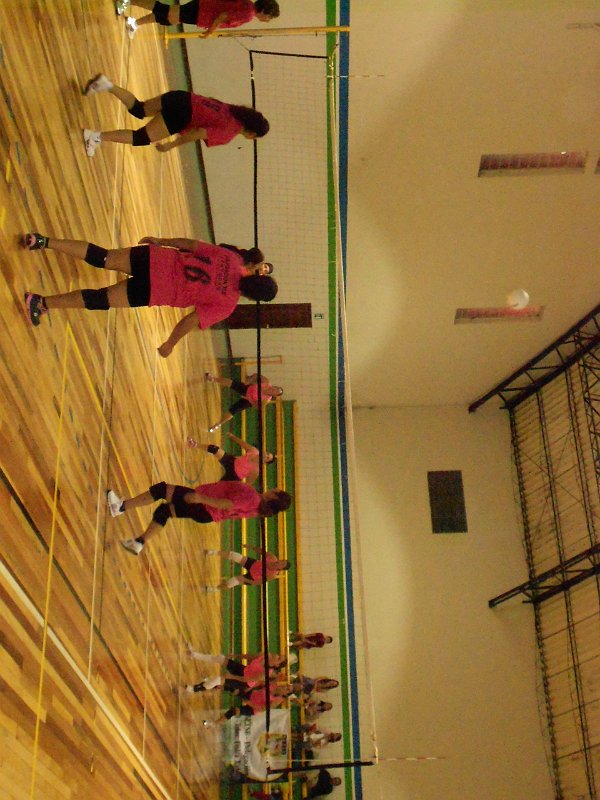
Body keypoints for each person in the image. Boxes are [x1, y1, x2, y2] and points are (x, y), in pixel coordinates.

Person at [22, 235, 277, 342]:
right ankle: (41, 302)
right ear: (253, 297)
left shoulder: (231, 258)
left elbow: (192, 244)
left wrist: (161, 240)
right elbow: (190, 321)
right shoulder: (227, 304)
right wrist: (170, 343)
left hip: (157, 258)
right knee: (101, 299)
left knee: (103, 257)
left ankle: (42, 241)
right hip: (156, 289)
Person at [82, 75, 269, 157]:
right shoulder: (229, 132)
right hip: (183, 114)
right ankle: (94, 137)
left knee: (140, 109)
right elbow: (198, 133)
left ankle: (106, 85)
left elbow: (209, 103)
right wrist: (171, 145)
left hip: (182, 97)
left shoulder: (232, 110)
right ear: (252, 133)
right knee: (141, 137)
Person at [105, 480, 291, 555]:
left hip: (202, 504)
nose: (274, 487)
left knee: (162, 490)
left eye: (277, 490)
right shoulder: (257, 509)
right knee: (165, 511)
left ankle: (120, 507)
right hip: (206, 514)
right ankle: (139, 542)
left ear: (274, 496)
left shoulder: (252, 497)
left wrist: (201, 498)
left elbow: (228, 504)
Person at [116, 0, 280, 40]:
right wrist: (210, 31)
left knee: (168, 18)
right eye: (270, 17)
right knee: (165, 12)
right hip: (202, 12)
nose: (268, 20)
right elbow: (223, 16)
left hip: (202, 9)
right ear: (265, 11)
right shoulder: (248, 14)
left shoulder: (248, 5)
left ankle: (134, 23)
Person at [205, 372, 283, 432]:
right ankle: (212, 378)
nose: (274, 390)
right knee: (231, 383)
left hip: (249, 401)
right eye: (275, 389)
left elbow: (257, 406)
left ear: (274, 395)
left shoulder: (266, 400)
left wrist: (249, 399)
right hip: (248, 389)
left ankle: (217, 425)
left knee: (233, 411)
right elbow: (256, 375)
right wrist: (249, 381)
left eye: (275, 392)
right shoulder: (266, 382)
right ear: (274, 386)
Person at [186, 431, 275, 483]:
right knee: (214, 449)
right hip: (232, 461)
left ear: (265, 462)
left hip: (234, 476)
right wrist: (232, 437)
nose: (266, 455)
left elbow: (248, 484)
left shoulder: (256, 470)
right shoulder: (254, 451)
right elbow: (242, 444)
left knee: (218, 487)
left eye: (267, 458)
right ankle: (194, 444)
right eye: (267, 453)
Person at [184, 649, 287, 693]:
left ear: (277, 665)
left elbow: (247, 679)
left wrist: (231, 677)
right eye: (279, 655)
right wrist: (235, 656)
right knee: (220, 659)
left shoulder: (266, 673)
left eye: (279, 658)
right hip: (244, 670)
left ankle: (194, 689)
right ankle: (194, 655)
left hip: (244, 682)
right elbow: (250, 657)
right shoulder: (266, 655)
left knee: (218, 680)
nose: (277, 655)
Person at [205, 544, 290, 592]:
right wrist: (250, 547)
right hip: (254, 564)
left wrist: (245, 580)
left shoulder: (272, 575)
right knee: (234, 555)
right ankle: (214, 552)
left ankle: (214, 589)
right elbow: (261, 551)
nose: (280, 562)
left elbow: (258, 582)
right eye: (282, 560)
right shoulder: (272, 557)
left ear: (281, 568)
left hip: (252, 578)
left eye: (282, 564)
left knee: (232, 582)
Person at [202, 683, 293, 727]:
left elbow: (262, 709)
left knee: (234, 711)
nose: (285, 687)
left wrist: (249, 703)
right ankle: (210, 686)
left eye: (287, 689)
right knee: (233, 688)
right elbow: (260, 685)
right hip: (251, 695)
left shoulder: (278, 700)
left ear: (286, 694)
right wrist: (250, 688)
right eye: (287, 685)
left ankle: (213, 724)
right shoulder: (274, 685)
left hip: (253, 708)